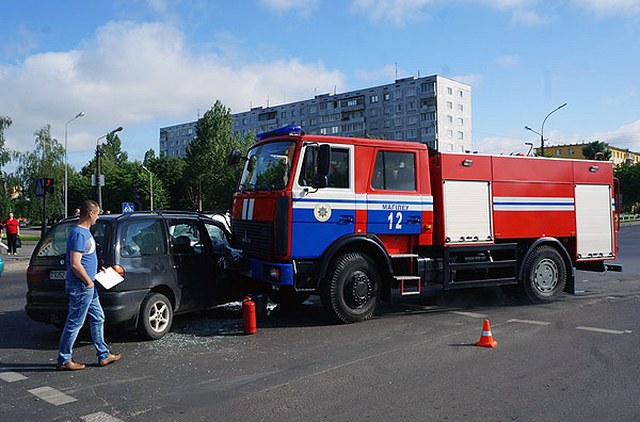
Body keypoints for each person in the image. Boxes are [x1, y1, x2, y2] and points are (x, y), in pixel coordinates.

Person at [57, 200, 121, 371]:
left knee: (98, 317)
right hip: (82, 287)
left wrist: (97, 270)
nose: (98, 217)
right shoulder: (79, 233)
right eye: (97, 213)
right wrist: (88, 281)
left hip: (87, 286)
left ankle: (103, 354)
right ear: (90, 213)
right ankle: (64, 360)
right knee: (74, 322)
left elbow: (85, 258)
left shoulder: (84, 232)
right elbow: (75, 263)